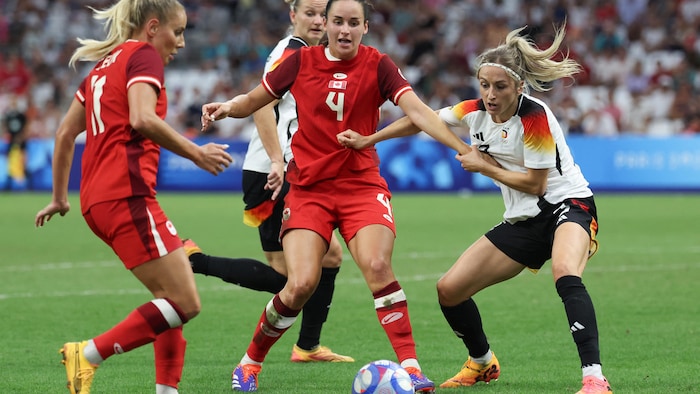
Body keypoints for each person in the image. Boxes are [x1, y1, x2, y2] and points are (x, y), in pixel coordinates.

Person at [200, 0, 471, 391]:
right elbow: (255, 99)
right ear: (325, 24)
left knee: (378, 267)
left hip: (361, 187)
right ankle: (250, 363)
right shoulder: (298, 61)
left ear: (365, 27)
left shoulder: (379, 65)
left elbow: (420, 112)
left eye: (354, 23)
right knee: (299, 284)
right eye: (338, 21)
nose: (345, 30)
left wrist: (462, 148)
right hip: (308, 190)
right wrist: (225, 108)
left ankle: (411, 368)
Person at [337, 24, 613, 394]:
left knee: (564, 272)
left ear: (519, 87)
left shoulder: (535, 117)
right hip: (524, 220)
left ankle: (594, 378)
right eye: (484, 85)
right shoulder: (473, 111)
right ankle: (482, 363)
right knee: (449, 290)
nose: (490, 94)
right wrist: (371, 138)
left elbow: (536, 184)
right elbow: (422, 119)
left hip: (568, 206)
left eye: (499, 86)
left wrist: (485, 167)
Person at [34, 1, 233, 393]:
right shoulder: (143, 55)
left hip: (98, 201)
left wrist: (60, 197)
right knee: (185, 303)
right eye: (177, 32)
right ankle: (88, 354)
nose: (180, 42)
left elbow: (63, 135)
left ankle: (166, 391)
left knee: (167, 299)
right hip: (126, 195)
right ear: (153, 27)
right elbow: (142, 118)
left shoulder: (104, 66)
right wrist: (196, 152)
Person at [185, 0, 353, 364]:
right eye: (309, 13)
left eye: (322, 14)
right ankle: (196, 261)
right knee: (290, 278)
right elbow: (262, 105)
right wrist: (279, 160)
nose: (317, 20)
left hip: (278, 170)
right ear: (293, 15)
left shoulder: (306, 53)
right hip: (271, 172)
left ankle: (307, 347)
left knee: (323, 259)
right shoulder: (290, 51)